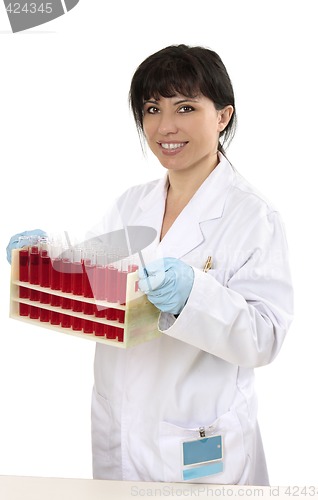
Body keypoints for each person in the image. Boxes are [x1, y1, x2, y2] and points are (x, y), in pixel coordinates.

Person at [6, 44, 293, 485]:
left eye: (185, 107)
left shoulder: (252, 216)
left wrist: (193, 295)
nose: (165, 126)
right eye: (153, 108)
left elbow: (265, 337)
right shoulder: (132, 204)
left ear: (223, 116)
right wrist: (46, 256)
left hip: (199, 436)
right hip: (120, 424)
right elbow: (89, 265)